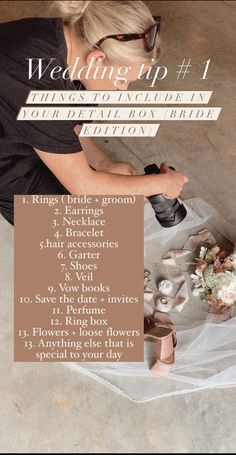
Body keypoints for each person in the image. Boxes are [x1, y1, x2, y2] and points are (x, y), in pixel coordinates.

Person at [0, 0, 188, 226]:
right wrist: (160, 185)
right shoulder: (34, 80)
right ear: (97, 59)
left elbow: (68, 122)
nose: (122, 90)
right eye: (121, 81)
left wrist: (103, 163)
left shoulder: (70, 42)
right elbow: (84, 187)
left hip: (18, 127)